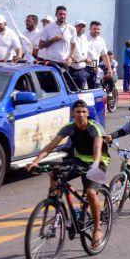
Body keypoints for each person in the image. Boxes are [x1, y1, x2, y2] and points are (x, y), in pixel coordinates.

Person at [27, 100, 109, 249]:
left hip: (98, 162)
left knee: (91, 193)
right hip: (78, 160)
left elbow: (97, 149)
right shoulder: (69, 128)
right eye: (78, 112)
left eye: (84, 112)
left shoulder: (95, 128)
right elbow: (51, 146)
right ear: (73, 114)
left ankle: (97, 228)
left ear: (88, 113)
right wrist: (36, 161)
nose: (81, 115)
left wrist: (95, 166)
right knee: (53, 173)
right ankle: (58, 207)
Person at [85, 21, 111, 88]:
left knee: (94, 88)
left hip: (95, 68)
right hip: (84, 68)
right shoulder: (84, 39)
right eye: (94, 29)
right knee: (80, 89)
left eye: (98, 29)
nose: (96, 30)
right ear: (89, 29)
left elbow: (105, 55)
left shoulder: (101, 40)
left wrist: (109, 68)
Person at [69, 20, 90, 89]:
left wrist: (85, 59)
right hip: (71, 69)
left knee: (80, 90)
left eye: (83, 26)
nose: (81, 28)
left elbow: (84, 52)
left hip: (81, 69)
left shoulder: (85, 38)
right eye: (79, 26)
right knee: (70, 89)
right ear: (75, 27)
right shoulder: (70, 37)